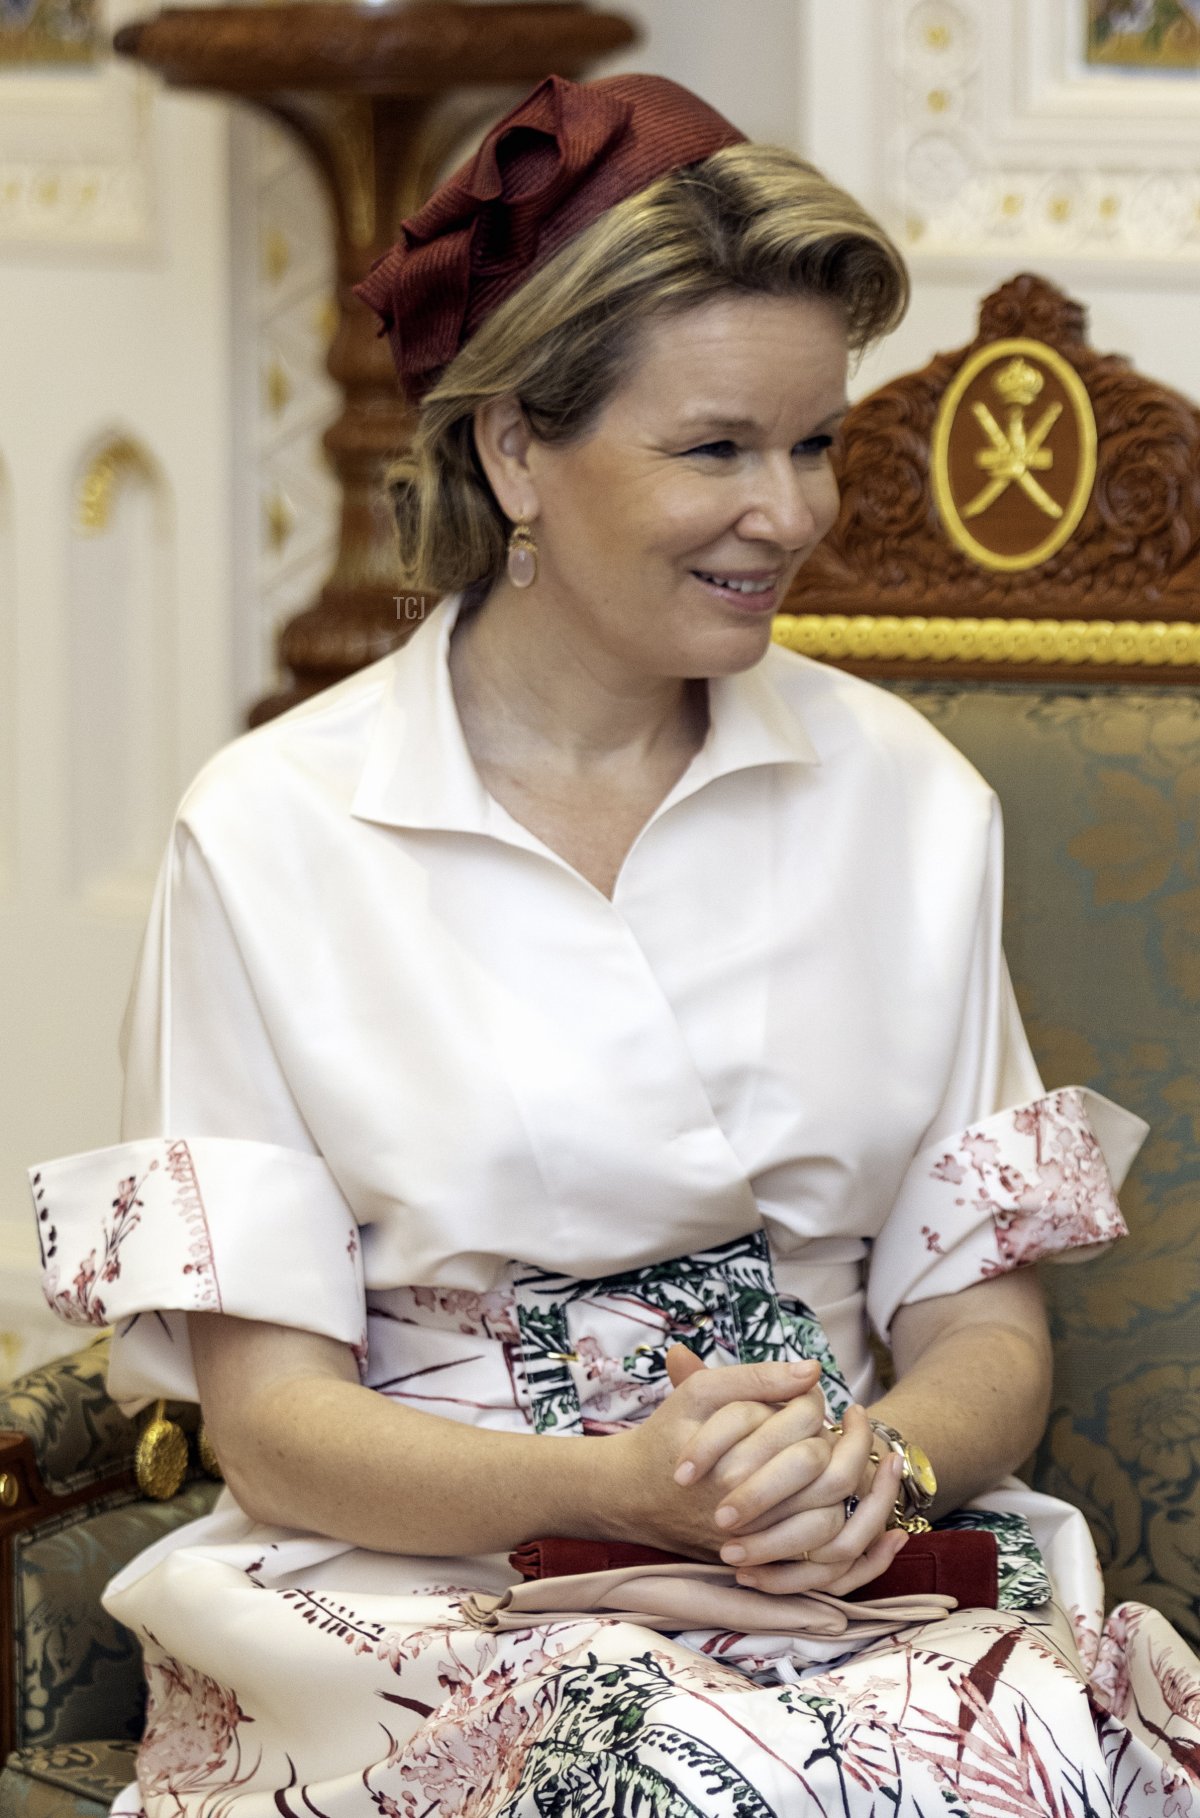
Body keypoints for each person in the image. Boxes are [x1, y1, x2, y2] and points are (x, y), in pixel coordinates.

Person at [29, 71, 1200, 1818]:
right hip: (422, 1581)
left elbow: (981, 1323)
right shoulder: (271, 830)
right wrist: (625, 1483)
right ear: (516, 447)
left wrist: (873, 1458)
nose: (793, 514)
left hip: (843, 1572)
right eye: (715, 448)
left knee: (1021, 1756)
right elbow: (272, 1417)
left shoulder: (910, 799)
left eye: (812, 443)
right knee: (658, 1766)